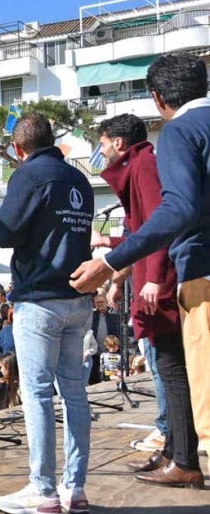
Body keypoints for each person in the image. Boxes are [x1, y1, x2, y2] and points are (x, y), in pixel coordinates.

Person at [70, 53, 210, 474]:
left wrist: (112, 262)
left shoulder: (179, 133)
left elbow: (174, 211)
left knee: (202, 394)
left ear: (157, 97)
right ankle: (179, 456)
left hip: (201, 271)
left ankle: (182, 457)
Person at [0, 113, 95, 514]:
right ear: (53, 139)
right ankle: (76, 488)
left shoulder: (29, 175)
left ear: (19, 148)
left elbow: (5, 234)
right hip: (77, 298)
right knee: (74, 392)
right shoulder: (79, 179)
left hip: (39, 299)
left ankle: (44, 490)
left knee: (36, 393)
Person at [90, 112, 202, 487]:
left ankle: (185, 460)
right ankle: (172, 451)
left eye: (103, 143)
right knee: (166, 373)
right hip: (151, 282)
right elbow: (143, 231)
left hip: (160, 287)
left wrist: (154, 278)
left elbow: (161, 226)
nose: (100, 152)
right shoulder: (139, 167)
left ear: (119, 143)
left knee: (171, 372)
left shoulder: (143, 167)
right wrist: (110, 243)